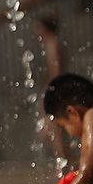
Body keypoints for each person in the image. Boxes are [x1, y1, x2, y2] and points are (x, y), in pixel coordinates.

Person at [35, 16, 71, 168]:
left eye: (38, 27)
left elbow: (55, 71)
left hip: (56, 88)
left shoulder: (52, 44)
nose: (36, 31)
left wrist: (50, 91)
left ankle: (63, 161)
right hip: (58, 87)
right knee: (51, 128)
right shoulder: (53, 43)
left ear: (45, 28)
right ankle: (63, 161)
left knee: (53, 128)